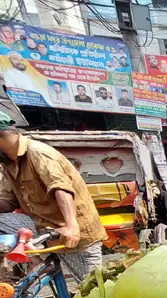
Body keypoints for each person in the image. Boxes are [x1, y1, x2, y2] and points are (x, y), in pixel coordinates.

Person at [0, 113, 106, 282]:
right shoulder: (8, 163)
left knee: (92, 293)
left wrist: (71, 226)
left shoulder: (38, 153)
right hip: (49, 233)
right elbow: (7, 202)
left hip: (76, 236)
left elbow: (61, 188)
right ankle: (33, 262)